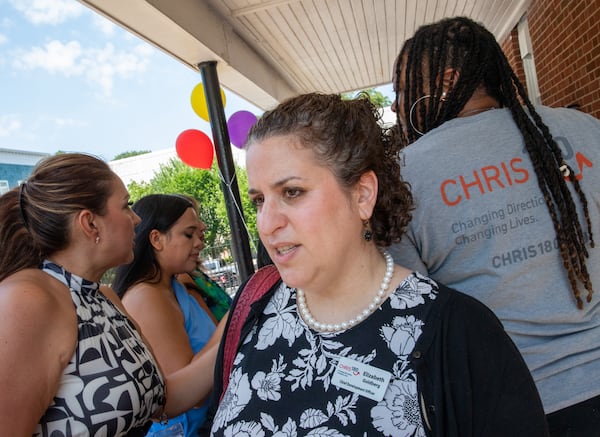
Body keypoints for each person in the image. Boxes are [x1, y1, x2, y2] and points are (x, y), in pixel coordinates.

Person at [203, 92, 549, 436]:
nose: (267, 223)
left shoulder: (458, 333)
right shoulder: (256, 311)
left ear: (363, 194)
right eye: (259, 200)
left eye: (292, 192)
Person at [388, 16, 599, 435]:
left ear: (447, 81)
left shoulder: (405, 175)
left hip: (516, 406)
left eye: (402, 88)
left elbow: (413, 314)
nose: (397, 105)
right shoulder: (587, 130)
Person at [0, 153, 220, 436]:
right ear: (90, 224)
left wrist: (239, 324)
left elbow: (164, 399)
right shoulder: (30, 298)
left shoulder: (103, 297)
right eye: (126, 206)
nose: (136, 218)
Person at [113, 193, 226, 436]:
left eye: (198, 234)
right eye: (188, 234)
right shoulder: (146, 297)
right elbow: (187, 396)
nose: (199, 243)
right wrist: (233, 325)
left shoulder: (177, 287)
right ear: (156, 239)